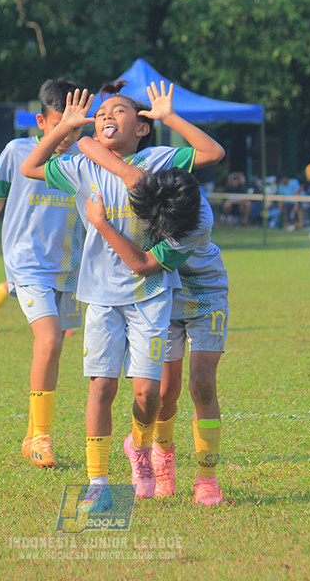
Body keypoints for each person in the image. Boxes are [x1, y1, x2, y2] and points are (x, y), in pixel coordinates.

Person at [19, 82, 225, 509]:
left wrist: (169, 117)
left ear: (142, 128)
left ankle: (140, 446)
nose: (108, 115)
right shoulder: (80, 164)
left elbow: (211, 153)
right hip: (99, 294)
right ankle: (98, 482)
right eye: (103, 112)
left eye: (120, 110)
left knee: (149, 394)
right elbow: (31, 166)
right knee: (102, 387)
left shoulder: (161, 160)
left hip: (150, 291)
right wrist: (69, 129)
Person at [81, 152, 228, 506]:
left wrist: (101, 223)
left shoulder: (196, 219)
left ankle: (206, 478)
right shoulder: (154, 187)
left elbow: (144, 263)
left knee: (203, 384)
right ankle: (157, 454)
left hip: (204, 293)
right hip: (163, 296)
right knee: (165, 393)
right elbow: (119, 166)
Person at [0, 77, 86, 468]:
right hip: (27, 263)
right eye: (60, 124)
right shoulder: (17, 151)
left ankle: (32, 433)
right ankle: (43, 439)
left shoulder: (84, 157)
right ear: (41, 120)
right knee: (48, 341)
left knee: (54, 348)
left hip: (70, 266)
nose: (68, 135)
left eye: (75, 126)